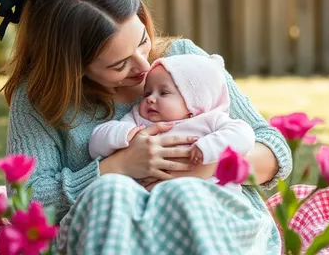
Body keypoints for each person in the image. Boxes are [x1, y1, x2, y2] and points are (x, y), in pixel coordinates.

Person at [0, 0, 293, 254]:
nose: (143, 65)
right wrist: (116, 167)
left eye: (142, 41)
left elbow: (274, 149)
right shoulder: (38, 98)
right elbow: (27, 203)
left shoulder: (183, 59)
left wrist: (203, 166)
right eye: (120, 64)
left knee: (185, 194)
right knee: (111, 192)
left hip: (211, 219)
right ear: (74, 69)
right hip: (113, 230)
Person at [88, 53, 255, 192]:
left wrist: (210, 147)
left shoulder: (209, 120)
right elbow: (95, 145)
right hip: (154, 203)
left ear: (193, 103)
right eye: (147, 93)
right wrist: (122, 134)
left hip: (207, 195)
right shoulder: (138, 119)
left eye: (163, 92)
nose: (150, 99)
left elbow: (244, 134)